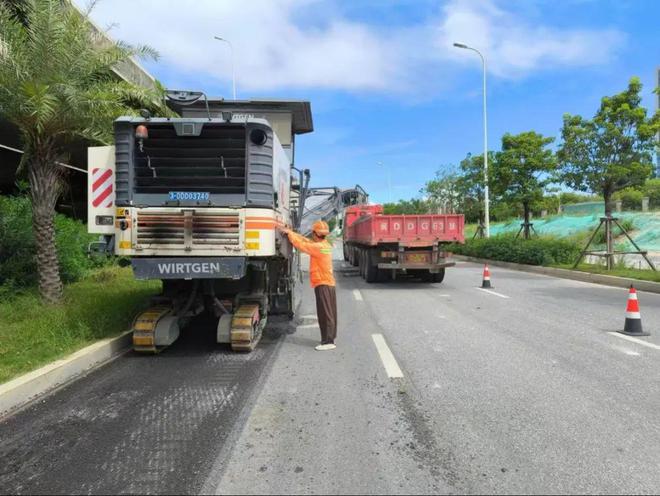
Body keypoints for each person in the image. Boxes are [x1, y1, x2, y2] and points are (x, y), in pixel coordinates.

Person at [278, 220, 337, 351]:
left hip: (323, 283)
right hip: (327, 283)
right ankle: (329, 338)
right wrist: (290, 232)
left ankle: (328, 341)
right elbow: (306, 241)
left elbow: (301, 245)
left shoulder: (318, 247)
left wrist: (290, 235)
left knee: (325, 313)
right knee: (329, 312)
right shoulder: (324, 245)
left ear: (315, 233)